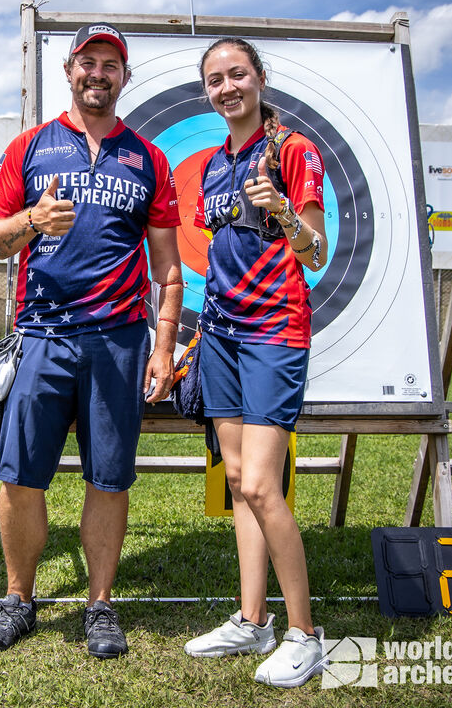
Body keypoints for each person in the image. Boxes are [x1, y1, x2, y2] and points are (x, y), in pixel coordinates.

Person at [0, 23, 183, 659]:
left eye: (110, 64)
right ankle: (17, 599)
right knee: (20, 476)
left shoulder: (147, 157)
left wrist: (165, 344)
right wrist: (32, 220)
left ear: (124, 76)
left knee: (110, 478)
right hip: (42, 333)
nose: (98, 73)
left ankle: (99, 605)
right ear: (68, 70)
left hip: (119, 340)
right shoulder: (30, 147)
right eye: (87, 62)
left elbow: (169, 266)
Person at [182, 37, 328, 688]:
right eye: (215, 79)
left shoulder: (296, 152)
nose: (227, 87)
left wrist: (286, 214)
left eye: (237, 74)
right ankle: (253, 619)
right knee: (238, 481)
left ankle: (306, 634)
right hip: (220, 337)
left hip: (274, 335)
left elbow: (316, 252)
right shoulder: (214, 165)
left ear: (261, 79)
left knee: (265, 487)